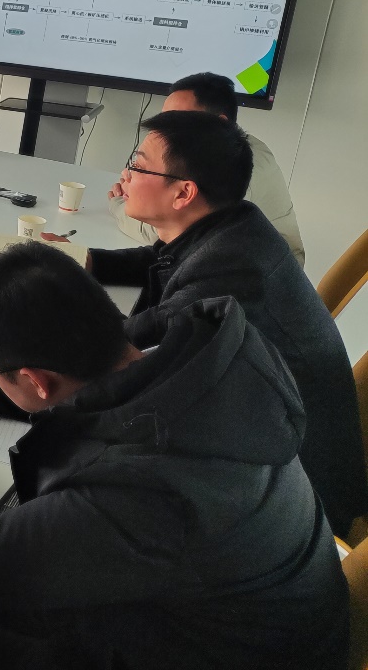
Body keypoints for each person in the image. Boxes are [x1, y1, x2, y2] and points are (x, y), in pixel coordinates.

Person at [0, 241, 348, 670]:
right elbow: (102, 401)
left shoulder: (137, 487)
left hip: (211, 651)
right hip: (250, 616)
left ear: (38, 380)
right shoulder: (209, 354)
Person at [61, 110, 366, 539]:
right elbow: (162, 257)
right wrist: (87, 261)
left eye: (138, 165)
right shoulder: (237, 223)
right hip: (270, 447)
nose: (125, 176)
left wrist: (12, 373)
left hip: (291, 502)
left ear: (184, 193)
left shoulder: (229, 273)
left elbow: (127, 351)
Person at [108, 72, 304, 264]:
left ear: (219, 123)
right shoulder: (219, 150)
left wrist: (120, 202)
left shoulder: (234, 166)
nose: (166, 131)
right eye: (165, 120)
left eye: (180, 122)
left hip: (259, 272)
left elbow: (171, 235)